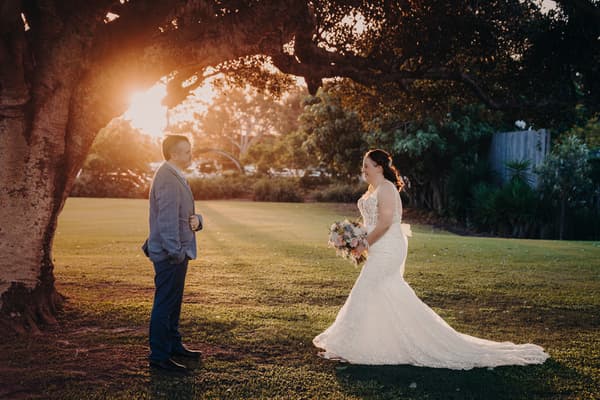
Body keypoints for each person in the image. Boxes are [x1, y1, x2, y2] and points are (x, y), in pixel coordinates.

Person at [313, 149, 549, 368]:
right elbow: (371, 223)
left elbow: (385, 223)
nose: (363, 169)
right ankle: (371, 341)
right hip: (378, 245)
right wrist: (352, 236)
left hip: (389, 247)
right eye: (363, 166)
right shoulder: (372, 191)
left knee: (366, 287)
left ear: (379, 167)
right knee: (384, 291)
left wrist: (363, 243)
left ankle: (355, 345)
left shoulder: (386, 188)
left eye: (367, 165)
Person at [142, 135, 203, 373]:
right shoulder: (167, 178)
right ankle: (159, 356)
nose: (190, 155)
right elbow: (167, 220)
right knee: (165, 303)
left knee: (173, 303)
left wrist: (198, 220)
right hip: (171, 253)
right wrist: (175, 252)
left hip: (179, 250)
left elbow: (182, 214)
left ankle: (173, 345)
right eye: (186, 151)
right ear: (174, 154)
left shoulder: (175, 174)